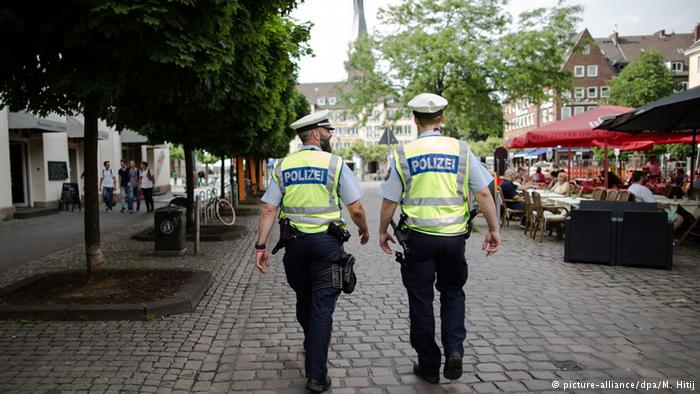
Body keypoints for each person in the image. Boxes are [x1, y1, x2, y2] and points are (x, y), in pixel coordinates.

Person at [378, 93, 500, 384]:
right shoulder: (461, 150)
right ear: (442, 118)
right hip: (453, 238)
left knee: (420, 299)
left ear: (415, 120)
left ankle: (429, 365)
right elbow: (483, 192)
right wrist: (494, 229)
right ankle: (454, 349)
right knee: (453, 292)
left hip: (417, 239)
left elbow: (389, 201)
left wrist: (382, 231)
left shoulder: (404, 153)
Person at [254, 109, 370, 392]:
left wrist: (260, 246)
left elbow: (269, 208)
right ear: (316, 133)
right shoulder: (334, 164)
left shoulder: (283, 166)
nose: (331, 135)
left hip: (294, 246)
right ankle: (316, 375)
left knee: (305, 300)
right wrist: (365, 229)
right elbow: (354, 207)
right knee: (321, 308)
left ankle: (312, 344)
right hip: (326, 247)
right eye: (328, 130)